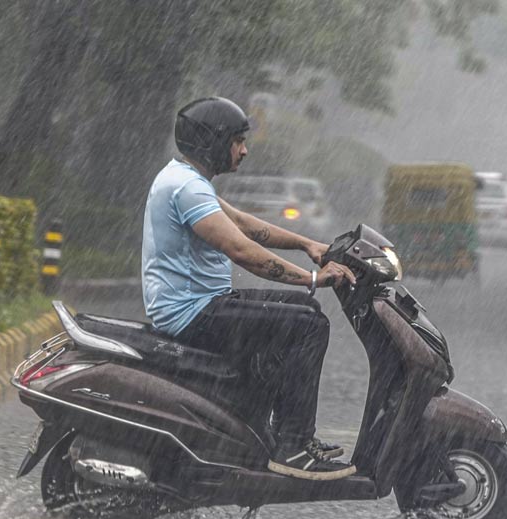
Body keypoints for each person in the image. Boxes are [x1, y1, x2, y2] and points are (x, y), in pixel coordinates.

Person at [141, 96, 358, 480]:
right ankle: (292, 445)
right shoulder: (186, 189)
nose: (245, 150)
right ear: (213, 142)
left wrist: (308, 245)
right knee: (309, 326)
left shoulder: (186, 179)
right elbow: (242, 250)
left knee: (305, 312)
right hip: (193, 314)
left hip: (201, 305)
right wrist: (311, 278)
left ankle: (271, 433)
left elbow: (243, 223)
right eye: (238, 140)